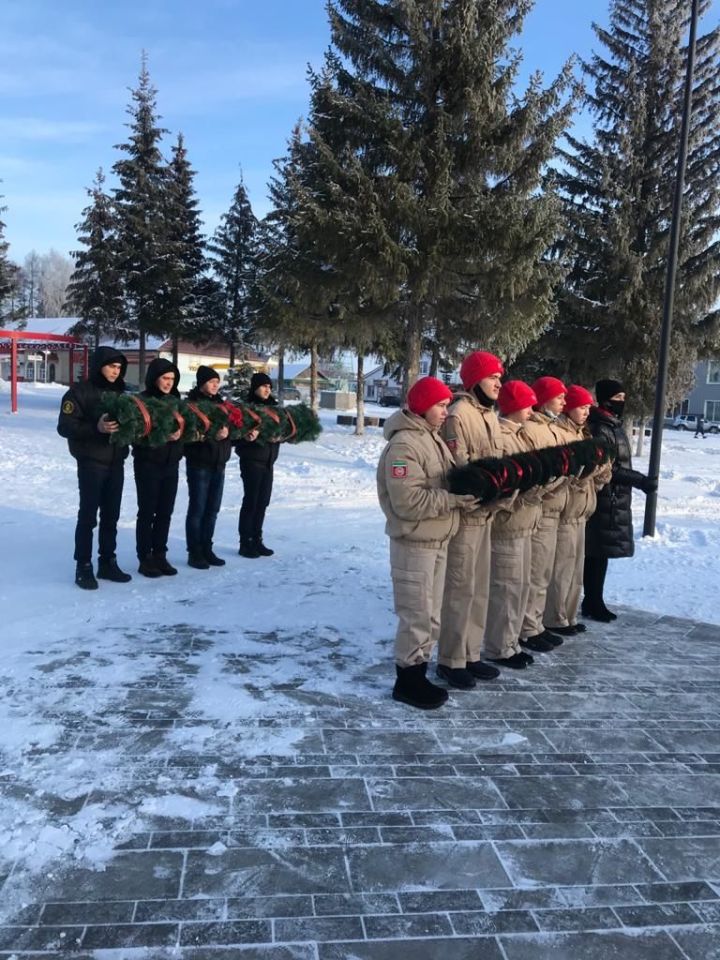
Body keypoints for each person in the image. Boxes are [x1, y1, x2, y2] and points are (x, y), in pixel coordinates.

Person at [377, 376, 481, 710]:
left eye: (447, 404)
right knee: (416, 614)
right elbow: (407, 501)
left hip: (436, 540)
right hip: (415, 544)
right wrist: (452, 499)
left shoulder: (432, 439)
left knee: (431, 615)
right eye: (439, 405)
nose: (445, 411)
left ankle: (419, 675)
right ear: (422, 407)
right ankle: (407, 682)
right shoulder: (405, 444)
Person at [437, 351, 505, 690]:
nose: (498, 382)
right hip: (467, 514)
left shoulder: (490, 416)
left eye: (500, 377)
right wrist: (487, 484)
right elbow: (458, 466)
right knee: (460, 589)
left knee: (479, 589)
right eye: (493, 376)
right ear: (475, 378)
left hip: (487, 512)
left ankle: (471, 653)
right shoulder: (459, 414)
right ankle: (451, 659)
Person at [57, 346, 132, 590]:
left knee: (111, 515)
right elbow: (65, 427)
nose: (115, 371)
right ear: (99, 365)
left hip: (116, 461)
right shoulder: (79, 392)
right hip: (91, 462)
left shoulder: (123, 393)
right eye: (112, 366)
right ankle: (83, 566)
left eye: (119, 367)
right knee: (88, 516)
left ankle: (107, 562)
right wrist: (95, 428)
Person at [583, 378, 657, 622]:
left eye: (624, 398)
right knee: (595, 553)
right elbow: (608, 468)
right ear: (605, 399)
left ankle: (595, 599)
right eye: (617, 398)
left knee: (601, 554)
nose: (622, 403)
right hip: (604, 497)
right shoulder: (600, 427)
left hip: (614, 498)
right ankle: (592, 601)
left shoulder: (613, 425)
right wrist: (640, 480)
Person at [484, 380, 542, 670]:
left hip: (523, 521)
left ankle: (511, 641)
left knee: (520, 585)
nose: (533, 409)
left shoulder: (521, 435)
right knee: (505, 588)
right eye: (528, 404)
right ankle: (499, 646)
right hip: (509, 522)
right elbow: (506, 478)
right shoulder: (503, 437)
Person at [544, 384, 610, 636]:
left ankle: (567, 615)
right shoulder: (561, 432)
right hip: (565, 509)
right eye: (581, 407)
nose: (586, 412)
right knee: (560, 569)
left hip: (581, 512)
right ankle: (555, 617)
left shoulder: (584, 434)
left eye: (587, 407)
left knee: (574, 570)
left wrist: (601, 470)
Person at [518, 376, 570, 653]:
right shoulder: (532, 429)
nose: (564, 401)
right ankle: (528, 626)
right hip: (538, 506)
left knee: (543, 572)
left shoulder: (552, 428)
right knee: (535, 572)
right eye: (558, 396)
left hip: (551, 506)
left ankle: (535, 623)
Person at [132, 358, 184, 578]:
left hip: (171, 463)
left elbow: (187, 429)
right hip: (148, 463)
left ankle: (160, 554)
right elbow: (135, 434)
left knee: (165, 512)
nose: (168, 383)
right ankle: (145, 558)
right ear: (154, 378)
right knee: (147, 512)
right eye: (165, 378)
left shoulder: (176, 401)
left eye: (172, 379)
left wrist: (180, 437)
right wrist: (162, 436)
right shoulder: (141, 401)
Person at [184, 366, 232, 570]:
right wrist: (213, 436)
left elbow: (232, 430)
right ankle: (194, 551)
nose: (215, 385)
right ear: (202, 383)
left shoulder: (221, 405)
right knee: (198, 509)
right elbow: (188, 435)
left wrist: (228, 435)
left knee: (212, 509)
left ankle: (207, 547)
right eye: (212, 381)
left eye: (217, 382)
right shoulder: (192, 405)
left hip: (219, 463)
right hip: (199, 463)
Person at [236, 372, 280, 559]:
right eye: (263, 386)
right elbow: (236, 436)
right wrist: (247, 437)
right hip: (252, 460)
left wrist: (280, 437)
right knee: (251, 501)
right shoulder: (246, 408)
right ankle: (245, 542)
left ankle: (257, 539)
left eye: (269, 387)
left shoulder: (274, 408)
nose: (267, 389)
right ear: (255, 388)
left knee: (263, 502)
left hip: (269, 461)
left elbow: (282, 430)